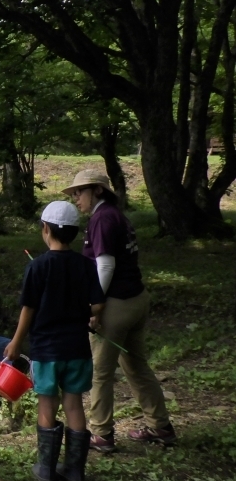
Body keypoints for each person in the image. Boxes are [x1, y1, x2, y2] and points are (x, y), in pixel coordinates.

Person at [63, 169, 176, 452]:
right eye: (74, 193)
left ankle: (101, 434)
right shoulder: (116, 216)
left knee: (100, 372)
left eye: (80, 191)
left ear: (98, 191)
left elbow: (105, 265)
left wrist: (94, 303)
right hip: (136, 299)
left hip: (116, 305)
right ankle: (160, 426)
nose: (76, 197)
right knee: (136, 365)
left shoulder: (102, 219)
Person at [3, 201, 105, 481]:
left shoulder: (37, 266)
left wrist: (15, 342)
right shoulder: (86, 265)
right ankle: (75, 471)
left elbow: (28, 311)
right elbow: (97, 304)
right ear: (74, 232)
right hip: (77, 349)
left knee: (47, 404)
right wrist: (85, 313)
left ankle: (46, 470)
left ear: (45, 229)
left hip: (46, 350)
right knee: (74, 404)